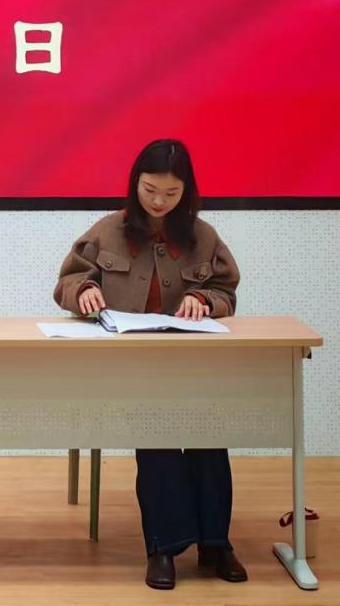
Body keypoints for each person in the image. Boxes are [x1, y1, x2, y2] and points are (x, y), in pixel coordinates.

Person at [53, 138, 246, 590]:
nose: (159, 202)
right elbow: (67, 282)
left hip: (190, 368)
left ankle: (215, 544)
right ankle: (164, 547)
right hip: (129, 370)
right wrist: (84, 291)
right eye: (150, 190)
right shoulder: (107, 231)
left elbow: (226, 292)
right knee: (157, 432)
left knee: (208, 433)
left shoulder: (204, 237)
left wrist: (205, 299)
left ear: (186, 192)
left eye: (171, 193)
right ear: (134, 184)